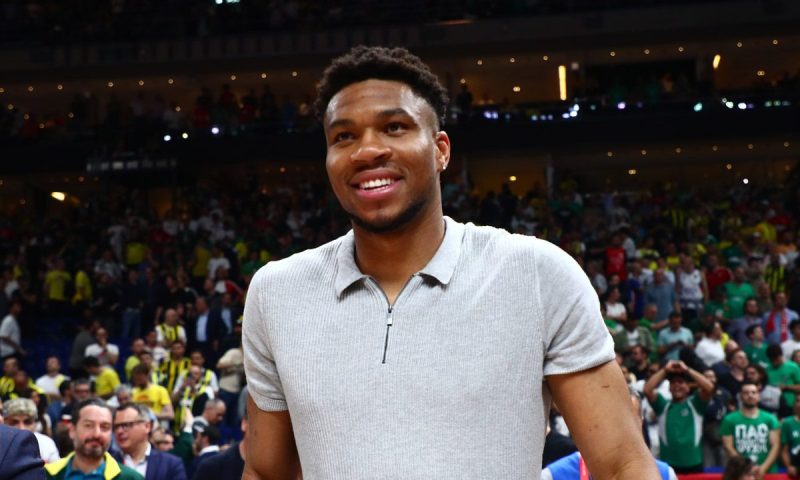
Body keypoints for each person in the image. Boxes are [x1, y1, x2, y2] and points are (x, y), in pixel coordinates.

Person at [242, 46, 658, 479]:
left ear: (441, 150)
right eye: (343, 137)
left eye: (394, 127)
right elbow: (266, 472)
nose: (367, 151)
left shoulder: (537, 274)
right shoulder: (276, 293)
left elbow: (623, 465)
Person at [542, 386, 677, 479]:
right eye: (613, 419)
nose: (622, 428)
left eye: (629, 419)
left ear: (641, 422)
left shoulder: (664, 475)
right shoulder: (554, 476)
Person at [643, 360, 714, 473]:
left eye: (681, 382)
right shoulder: (663, 405)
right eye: (673, 383)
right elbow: (647, 390)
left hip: (694, 463)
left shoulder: (695, 404)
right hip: (669, 465)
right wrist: (665, 370)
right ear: (669, 388)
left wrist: (687, 369)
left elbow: (710, 388)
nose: (677, 385)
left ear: (688, 387)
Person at [44, 398, 143, 479]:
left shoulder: (130, 478)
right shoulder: (46, 475)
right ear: (72, 430)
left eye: (105, 427)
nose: (97, 434)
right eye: (89, 425)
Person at [113, 402, 188, 480]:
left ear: (147, 426)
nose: (119, 431)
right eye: (116, 427)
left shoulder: (171, 464)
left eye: (126, 425)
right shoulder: (107, 462)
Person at [720, 382, 781, 476]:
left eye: (754, 392)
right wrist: (746, 469)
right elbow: (728, 447)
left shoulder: (771, 419)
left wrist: (763, 468)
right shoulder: (729, 419)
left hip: (767, 471)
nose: (750, 395)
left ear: (758, 396)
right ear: (740, 396)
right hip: (740, 473)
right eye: (746, 393)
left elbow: (775, 446)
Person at [3, 397, 60, 463]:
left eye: (27, 422)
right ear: (4, 422)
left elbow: (56, 467)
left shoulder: (46, 443)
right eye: (14, 422)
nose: (22, 428)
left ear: (35, 423)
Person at [781, 395, 800, 478]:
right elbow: (784, 450)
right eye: (798, 401)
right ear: (794, 404)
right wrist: (789, 466)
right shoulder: (787, 423)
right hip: (794, 467)